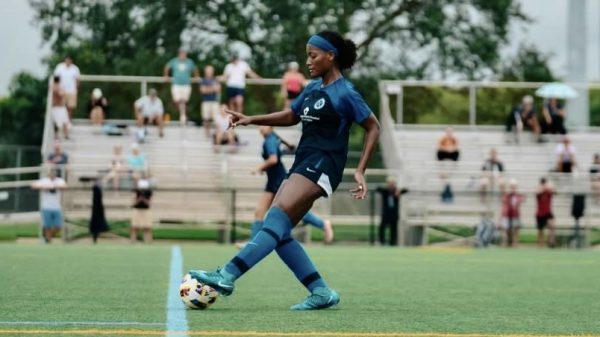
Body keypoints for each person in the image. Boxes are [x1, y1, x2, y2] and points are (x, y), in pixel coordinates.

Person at [189, 31, 380, 310]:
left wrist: (360, 169)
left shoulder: (346, 93)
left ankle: (227, 275)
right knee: (279, 231)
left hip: (324, 163)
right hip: (304, 162)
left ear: (331, 56)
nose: (308, 61)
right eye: (307, 55)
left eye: (313, 55)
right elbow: (292, 115)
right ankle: (321, 291)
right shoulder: (313, 88)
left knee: (275, 216)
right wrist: (252, 118)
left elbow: (373, 127)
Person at [239, 126, 334, 248]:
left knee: (293, 210)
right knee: (260, 212)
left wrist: (259, 168)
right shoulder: (272, 139)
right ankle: (252, 244)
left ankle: (323, 224)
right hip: (273, 181)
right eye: (260, 125)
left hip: (278, 182)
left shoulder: (270, 140)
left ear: (270, 127)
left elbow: (273, 159)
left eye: (263, 125)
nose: (261, 128)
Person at [163, 48, 199, 125]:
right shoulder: (174, 61)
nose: (183, 55)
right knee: (177, 100)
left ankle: (182, 116)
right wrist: (166, 76)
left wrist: (196, 76)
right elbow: (167, 66)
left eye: (184, 54)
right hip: (176, 84)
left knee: (184, 101)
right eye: (181, 53)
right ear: (179, 54)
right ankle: (183, 115)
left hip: (186, 84)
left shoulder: (189, 62)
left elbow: (195, 69)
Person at [31, 170, 67, 243]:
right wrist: (44, 187)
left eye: (54, 173)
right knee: (47, 226)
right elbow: (33, 185)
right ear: (49, 174)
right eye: (51, 173)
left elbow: (65, 186)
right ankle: (48, 241)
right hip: (46, 207)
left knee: (58, 226)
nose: (53, 174)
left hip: (57, 207)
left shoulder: (59, 180)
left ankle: (48, 238)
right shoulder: (44, 181)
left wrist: (54, 186)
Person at [376, 176, 408, 246]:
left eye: (392, 183)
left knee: (393, 229)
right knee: (382, 227)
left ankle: (392, 243)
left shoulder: (397, 191)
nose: (391, 185)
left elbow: (406, 190)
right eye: (390, 183)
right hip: (386, 214)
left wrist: (398, 191)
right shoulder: (385, 191)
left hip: (394, 214)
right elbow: (377, 188)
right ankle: (382, 242)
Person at [500, 179, 525, 247]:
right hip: (506, 214)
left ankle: (515, 242)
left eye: (514, 186)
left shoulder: (518, 194)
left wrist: (518, 196)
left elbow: (522, 200)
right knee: (505, 229)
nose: (513, 188)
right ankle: (505, 242)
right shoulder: (506, 194)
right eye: (512, 186)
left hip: (515, 215)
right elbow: (504, 202)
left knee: (516, 229)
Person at [200, 65, 221, 138]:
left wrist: (208, 89)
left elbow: (218, 89)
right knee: (206, 119)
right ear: (205, 71)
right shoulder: (203, 80)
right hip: (206, 102)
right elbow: (203, 91)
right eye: (208, 70)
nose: (209, 72)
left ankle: (217, 135)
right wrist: (213, 88)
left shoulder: (216, 80)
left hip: (215, 102)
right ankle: (206, 135)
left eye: (210, 70)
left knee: (217, 119)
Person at [130, 179, 153, 243]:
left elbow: (150, 204)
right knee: (134, 227)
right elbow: (132, 204)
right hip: (137, 210)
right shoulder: (135, 192)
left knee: (147, 227)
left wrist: (144, 200)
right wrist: (139, 199)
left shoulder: (149, 192)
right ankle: (132, 241)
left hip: (146, 210)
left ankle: (148, 241)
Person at [535, 177, 556, 248]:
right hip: (540, 213)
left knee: (552, 226)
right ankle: (540, 245)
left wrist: (549, 187)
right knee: (540, 231)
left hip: (548, 212)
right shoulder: (539, 190)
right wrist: (544, 187)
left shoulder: (548, 191)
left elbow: (555, 191)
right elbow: (537, 192)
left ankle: (551, 242)